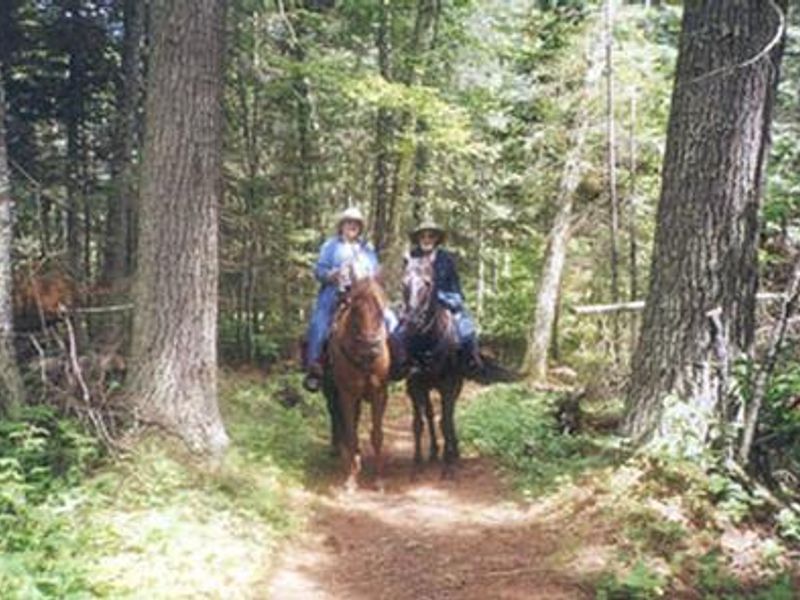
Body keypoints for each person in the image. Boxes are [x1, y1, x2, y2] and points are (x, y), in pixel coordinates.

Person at [303, 206, 397, 392]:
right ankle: (315, 368)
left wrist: (378, 275)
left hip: (365, 297)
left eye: (356, 224)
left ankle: (395, 364)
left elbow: (375, 272)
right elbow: (319, 271)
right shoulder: (330, 246)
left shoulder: (366, 249)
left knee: (391, 320)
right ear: (342, 225)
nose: (352, 227)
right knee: (319, 324)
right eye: (349, 223)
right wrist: (333, 275)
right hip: (336, 294)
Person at [407, 219, 483, 375]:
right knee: (397, 332)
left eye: (430, 236)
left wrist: (451, 299)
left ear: (436, 239)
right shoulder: (412, 257)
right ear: (419, 239)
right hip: (416, 303)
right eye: (423, 236)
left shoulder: (446, 259)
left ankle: (471, 361)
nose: (426, 239)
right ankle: (402, 365)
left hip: (444, 299)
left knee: (466, 328)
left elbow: (455, 284)